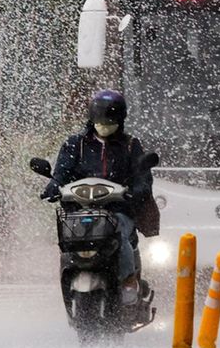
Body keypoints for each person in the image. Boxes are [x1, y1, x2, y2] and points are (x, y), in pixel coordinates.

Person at [41, 89, 153, 305]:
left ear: (120, 119)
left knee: (120, 234)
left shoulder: (131, 146)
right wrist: (53, 186)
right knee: (68, 237)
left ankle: (129, 281)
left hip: (118, 211)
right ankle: (69, 274)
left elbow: (143, 179)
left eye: (110, 119)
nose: (105, 124)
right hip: (79, 211)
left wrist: (136, 191)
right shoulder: (75, 144)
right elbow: (61, 174)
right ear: (92, 118)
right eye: (100, 119)